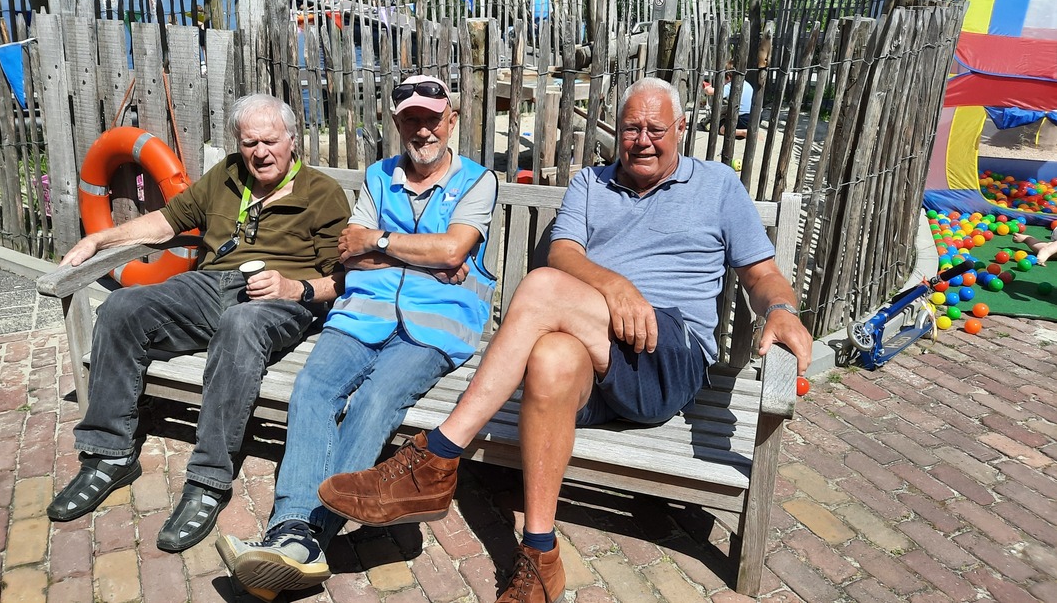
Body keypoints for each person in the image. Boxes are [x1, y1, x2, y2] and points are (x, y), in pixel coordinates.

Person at [317, 77, 813, 603]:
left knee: (540, 287)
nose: (642, 140)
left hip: (668, 353)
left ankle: (437, 456)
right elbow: (564, 252)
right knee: (551, 358)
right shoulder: (591, 184)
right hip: (597, 352)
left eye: (656, 129)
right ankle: (539, 553)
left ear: (682, 129)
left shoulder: (717, 185)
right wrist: (614, 287)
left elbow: (761, 274)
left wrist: (782, 310)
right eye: (631, 129)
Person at [215, 75, 499, 601]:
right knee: (312, 389)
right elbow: (350, 253)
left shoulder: (478, 181)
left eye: (432, 119)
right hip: (361, 312)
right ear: (397, 124)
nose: (422, 130)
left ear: (452, 120)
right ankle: (294, 532)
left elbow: (453, 252)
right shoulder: (377, 175)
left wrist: (383, 241)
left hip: (436, 325)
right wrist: (424, 255)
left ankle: (306, 536)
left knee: (375, 400)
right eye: (411, 120)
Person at [45, 95, 352, 554]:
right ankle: (109, 456)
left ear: (292, 140)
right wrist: (100, 239)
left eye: (270, 141)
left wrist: (295, 288)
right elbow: (166, 221)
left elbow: (343, 278)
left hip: (278, 298)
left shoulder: (321, 193)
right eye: (250, 142)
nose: (260, 152)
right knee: (121, 308)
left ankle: (208, 480)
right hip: (210, 285)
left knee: (240, 325)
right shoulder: (227, 175)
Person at [703, 59, 754, 139]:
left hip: (742, 118)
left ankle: (743, 132)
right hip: (753, 117)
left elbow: (710, 92)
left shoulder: (731, 85)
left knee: (723, 130)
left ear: (728, 77)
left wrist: (706, 87)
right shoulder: (748, 85)